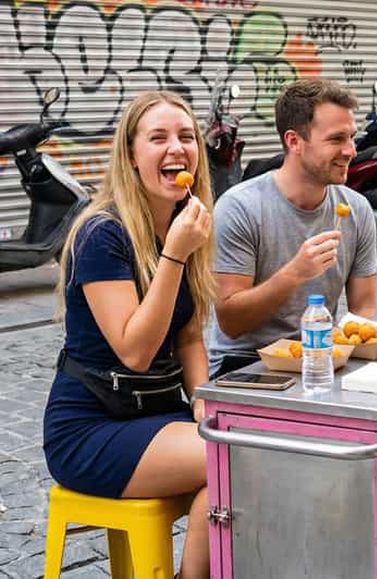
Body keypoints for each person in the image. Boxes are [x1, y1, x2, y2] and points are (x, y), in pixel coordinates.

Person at [43, 91, 214, 578]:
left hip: (159, 413)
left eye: (186, 136)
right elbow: (135, 351)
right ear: (132, 156)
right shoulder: (101, 234)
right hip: (91, 426)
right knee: (232, 458)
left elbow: (188, 338)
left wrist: (203, 402)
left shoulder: (187, 222)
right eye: (157, 138)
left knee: (249, 455)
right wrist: (174, 257)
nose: (175, 148)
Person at [209, 79, 377, 377]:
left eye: (352, 137)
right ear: (294, 141)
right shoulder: (240, 207)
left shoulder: (356, 209)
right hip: (245, 364)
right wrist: (295, 273)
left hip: (320, 357)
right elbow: (231, 322)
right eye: (337, 139)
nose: (351, 150)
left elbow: (363, 309)